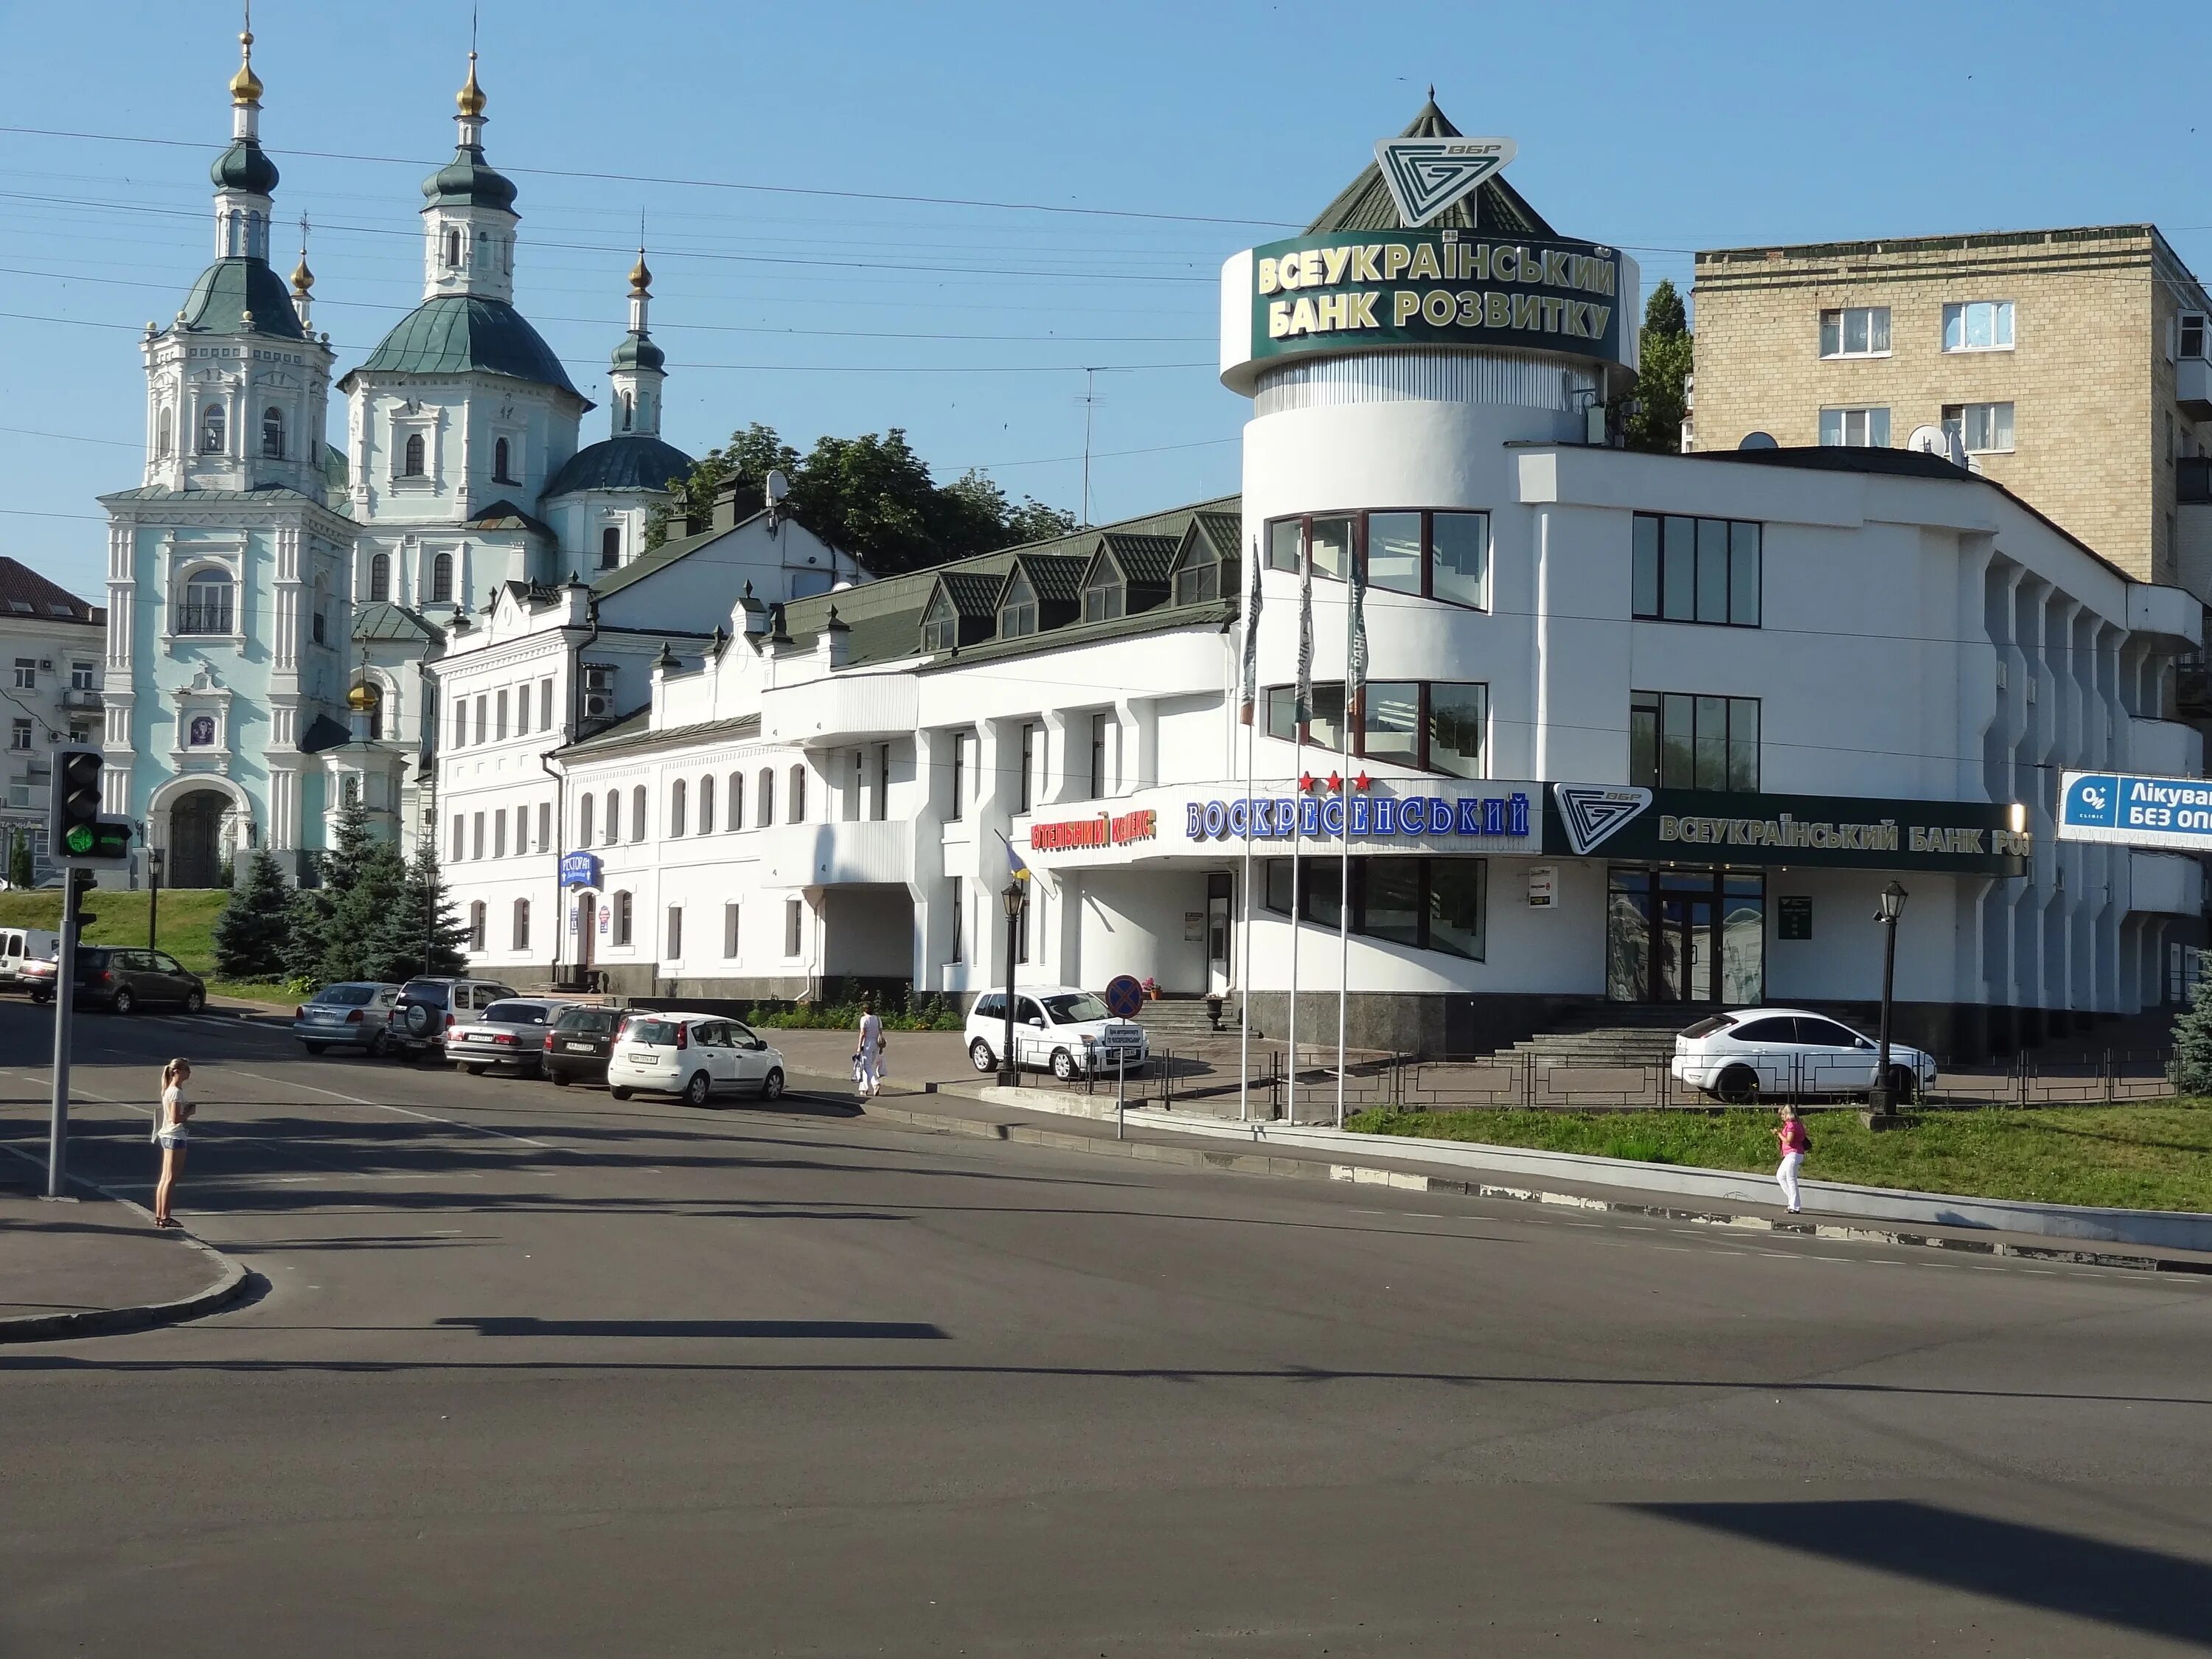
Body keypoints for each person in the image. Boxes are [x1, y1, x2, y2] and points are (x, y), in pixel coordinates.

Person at [150, 1057, 193, 1228]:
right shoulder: (176, 1092)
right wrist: (189, 1112)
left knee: (164, 1178)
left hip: (167, 1135)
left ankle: (160, 1215)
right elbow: (176, 1118)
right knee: (170, 1178)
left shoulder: (169, 1090)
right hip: (176, 1136)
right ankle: (166, 1216)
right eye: (186, 1069)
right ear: (177, 1071)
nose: (189, 1072)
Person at [1774, 1102, 1811, 1215]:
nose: (1782, 1117)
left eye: (1783, 1115)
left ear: (1788, 1114)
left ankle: (1794, 1206)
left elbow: (1789, 1140)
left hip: (1793, 1153)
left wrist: (1779, 1134)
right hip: (1793, 1154)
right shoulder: (1796, 1124)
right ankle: (1793, 1200)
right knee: (1780, 1176)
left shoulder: (1791, 1125)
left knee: (1791, 1179)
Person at [855, 997, 887, 1100]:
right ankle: (863, 1089)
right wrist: (881, 1047)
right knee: (868, 1066)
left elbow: (862, 1033)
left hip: (867, 1044)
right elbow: (880, 1032)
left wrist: (859, 1047)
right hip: (876, 1044)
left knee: (866, 1066)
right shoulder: (877, 1019)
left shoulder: (864, 1019)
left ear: (864, 1010)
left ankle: (875, 1083)